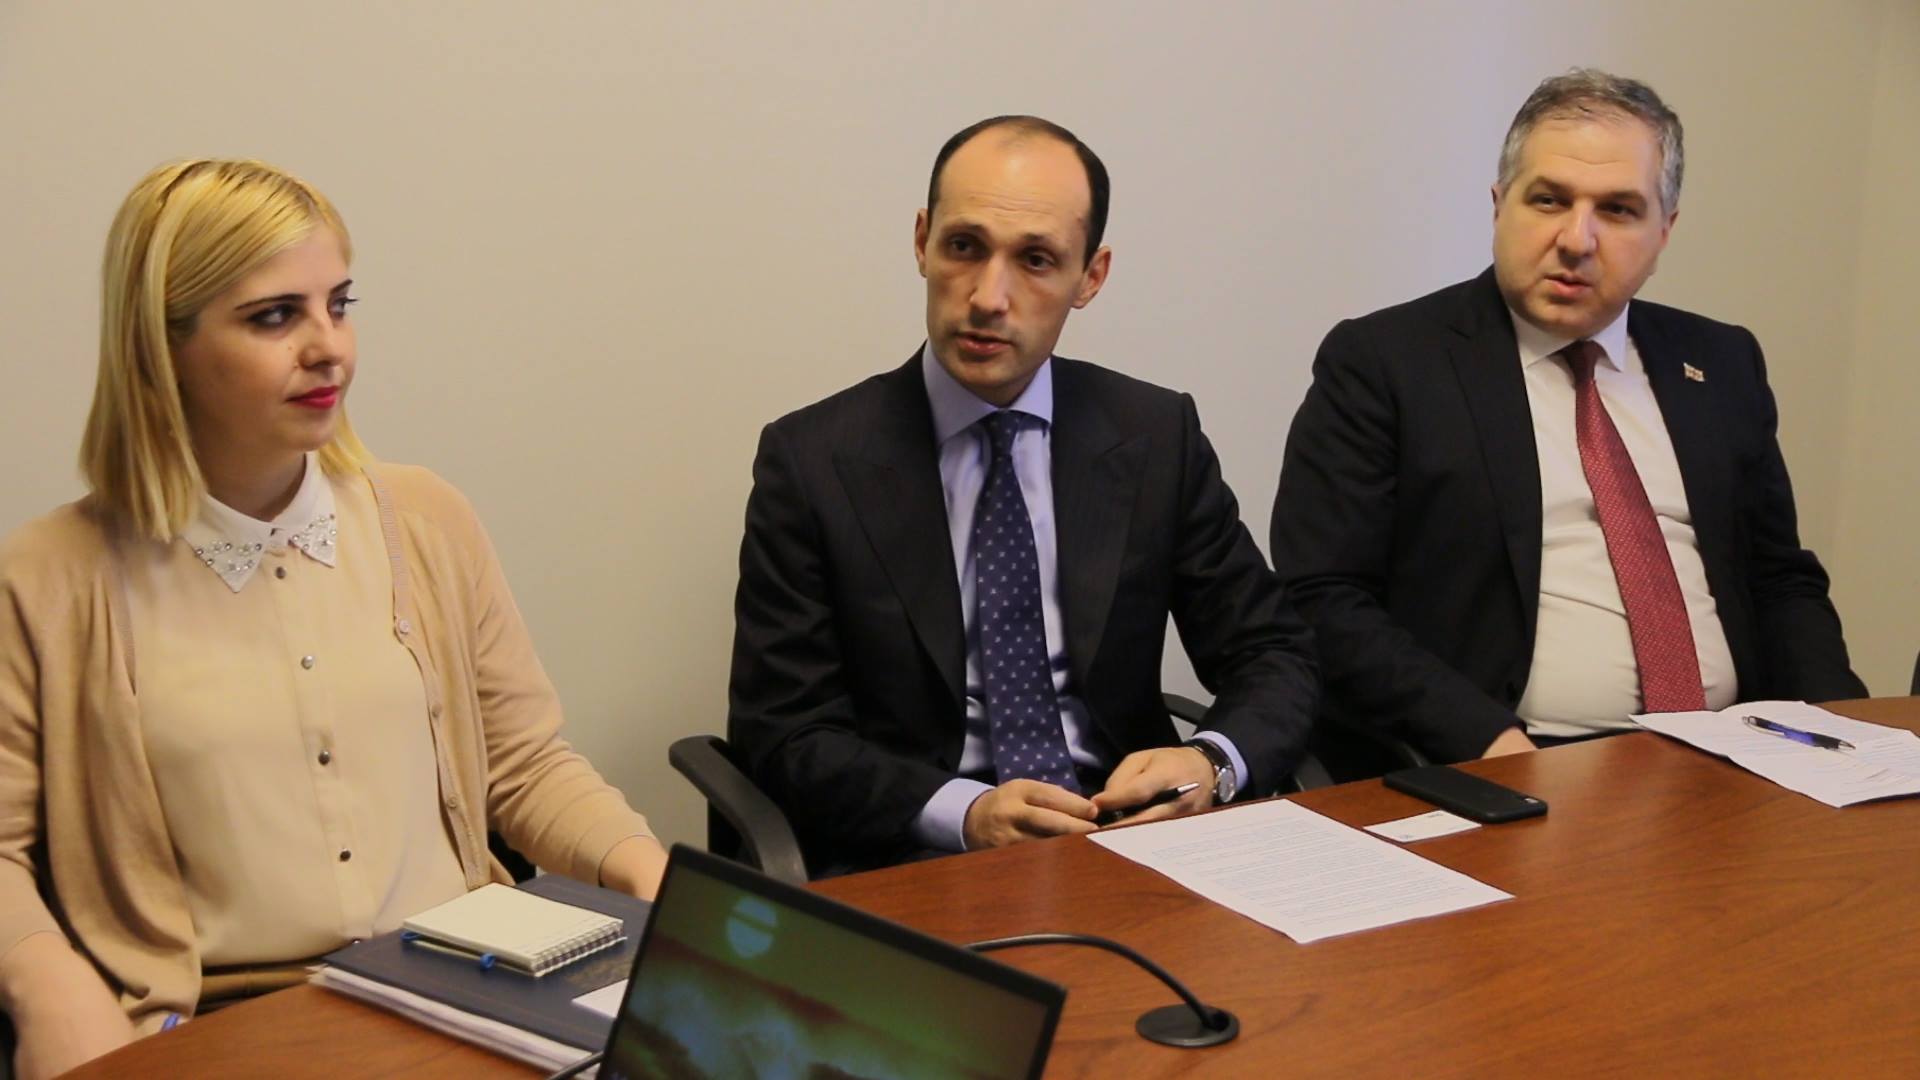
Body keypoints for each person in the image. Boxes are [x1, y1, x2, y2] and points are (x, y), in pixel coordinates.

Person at [0, 159, 668, 1079]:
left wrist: (651, 875)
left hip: (464, 999)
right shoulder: (49, 577)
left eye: (339, 305)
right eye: (276, 317)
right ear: (163, 347)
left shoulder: (426, 518)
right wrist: (44, 980)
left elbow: (524, 764)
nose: (329, 349)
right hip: (220, 1026)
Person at [728, 116, 1319, 875]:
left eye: (1036, 260)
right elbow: (784, 731)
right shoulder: (813, 460)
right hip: (920, 856)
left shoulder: (1153, 435)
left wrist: (1212, 762)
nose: (988, 297)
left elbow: (1272, 651)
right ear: (922, 242)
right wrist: (965, 813)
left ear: (1090, 278)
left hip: (1131, 839)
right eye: (964, 246)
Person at [1270, 70, 1863, 775]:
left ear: (1664, 231)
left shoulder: (1721, 361)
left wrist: (1845, 733)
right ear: (1500, 205)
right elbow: (1323, 597)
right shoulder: (1385, 362)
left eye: (1618, 210)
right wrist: (1486, 741)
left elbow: (1779, 578)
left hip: (1733, 756)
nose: (1577, 239)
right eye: (1549, 200)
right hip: (1510, 758)